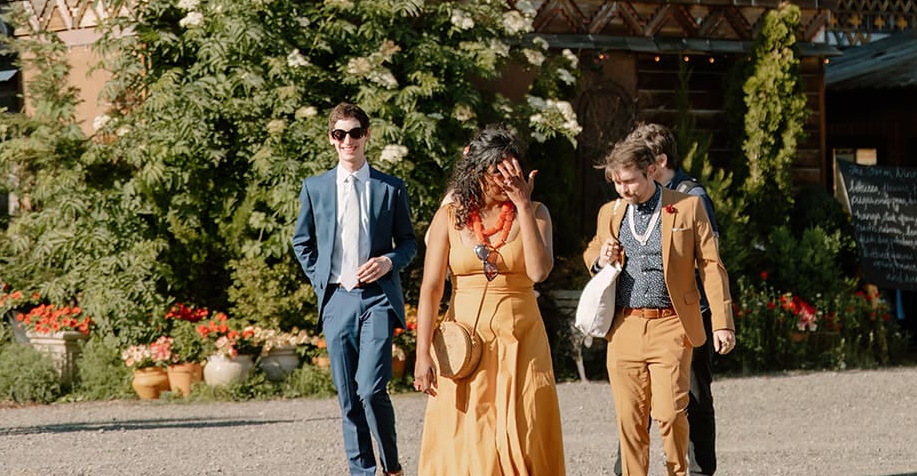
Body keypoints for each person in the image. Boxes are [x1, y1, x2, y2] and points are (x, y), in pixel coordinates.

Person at [413, 127, 565, 475]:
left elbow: (540, 271)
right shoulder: (450, 217)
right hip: (464, 343)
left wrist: (523, 205)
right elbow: (431, 289)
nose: (504, 180)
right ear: (475, 172)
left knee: (525, 430)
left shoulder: (537, 212)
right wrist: (422, 354)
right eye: (496, 172)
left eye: (512, 171)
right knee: (469, 437)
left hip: (521, 339)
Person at [584, 132, 734, 476]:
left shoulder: (686, 205)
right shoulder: (611, 212)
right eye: (617, 182)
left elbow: (711, 265)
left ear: (651, 170)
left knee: (669, 413)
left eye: (630, 181)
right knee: (630, 420)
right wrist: (599, 258)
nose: (623, 188)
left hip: (671, 323)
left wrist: (723, 322)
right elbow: (592, 249)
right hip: (624, 325)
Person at [292, 103, 417, 476]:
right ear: (331, 139)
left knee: (370, 389)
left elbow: (409, 243)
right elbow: (302, 242)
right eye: (340, 134)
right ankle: (362, 471)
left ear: (367, 135)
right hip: (337, 299)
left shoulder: (390, 188)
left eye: (355, 133)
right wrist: (323, 282)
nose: (348, 140)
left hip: (378, 298)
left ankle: (391, 466)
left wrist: (389, 261)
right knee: (348, 396)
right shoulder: (315, 188)